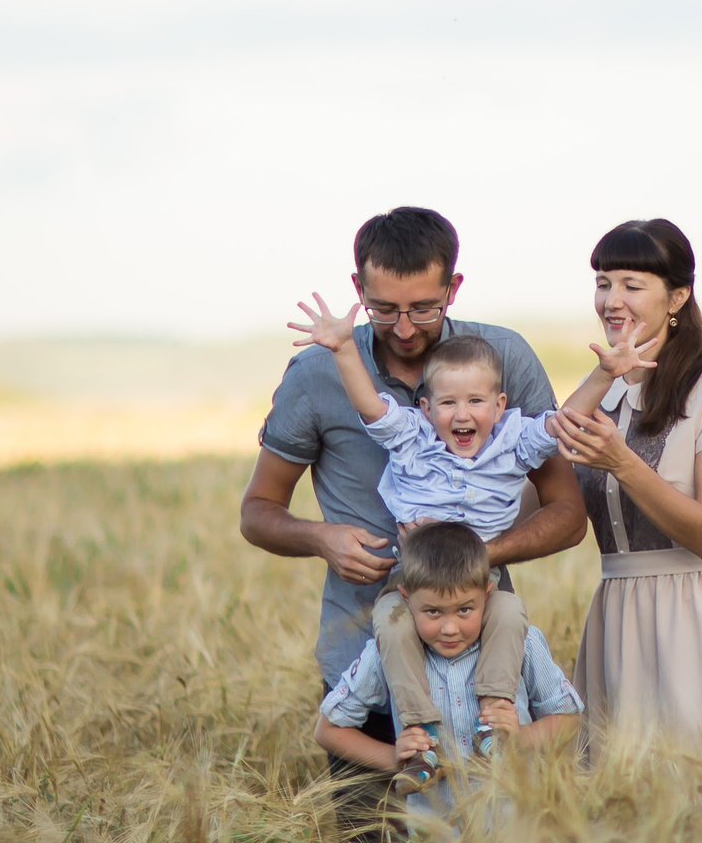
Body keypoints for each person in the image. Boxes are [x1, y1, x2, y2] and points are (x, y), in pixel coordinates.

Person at [239, 207, 589, 747]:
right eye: (383, 309)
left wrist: (460, 560)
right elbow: (257, 512)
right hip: (360, 653)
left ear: (454, 287)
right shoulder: (315, 373)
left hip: (482, 657)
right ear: (358, 288)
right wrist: (321, 538)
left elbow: (567, 514)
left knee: (489, 829)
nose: (404, 328)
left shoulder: (505, 358)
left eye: (424, 309)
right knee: (368, 831)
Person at [286, 292, 655, 789]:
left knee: (509, 615)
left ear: (500, 406)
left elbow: (566, 421)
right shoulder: (412, 439)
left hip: (483, 576)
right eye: (448, 403)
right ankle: (417, 736)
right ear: (425, 407)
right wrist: (343, 351)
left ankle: (494, 719)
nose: (463, 415)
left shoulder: (513, 441)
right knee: (391, 628)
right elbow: (371, 406)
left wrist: (606, 373)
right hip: (411, 577)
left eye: (477, 402)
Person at [550, 218, 702, 769]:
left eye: (632, 284)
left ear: (677, 295)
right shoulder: (598, 395)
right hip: (615, 618)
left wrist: (622, 463)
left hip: (695, 620)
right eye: (603, 283)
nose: (611, 300)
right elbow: (541, 495)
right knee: (619, 809)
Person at [313, 523, 583, 820]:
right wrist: (394, 757)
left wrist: (520, 736)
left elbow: (569, 718)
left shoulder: (523, 643)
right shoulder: (387, 653)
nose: (450, 628)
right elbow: (328, 730)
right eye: (433, 612)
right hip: (435, 842)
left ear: (488, 593)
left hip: (515, 836)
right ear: (405, 597)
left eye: (465, 610)